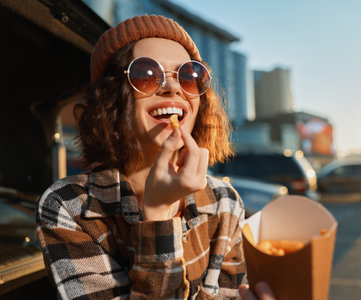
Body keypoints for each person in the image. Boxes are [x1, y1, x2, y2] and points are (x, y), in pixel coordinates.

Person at [35, 14, 273, 299]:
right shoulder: (69, 207)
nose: (173, 88)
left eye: (188, 76)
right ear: (111, 98)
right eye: (146, 74)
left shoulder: (225, 203)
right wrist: (159, 214)